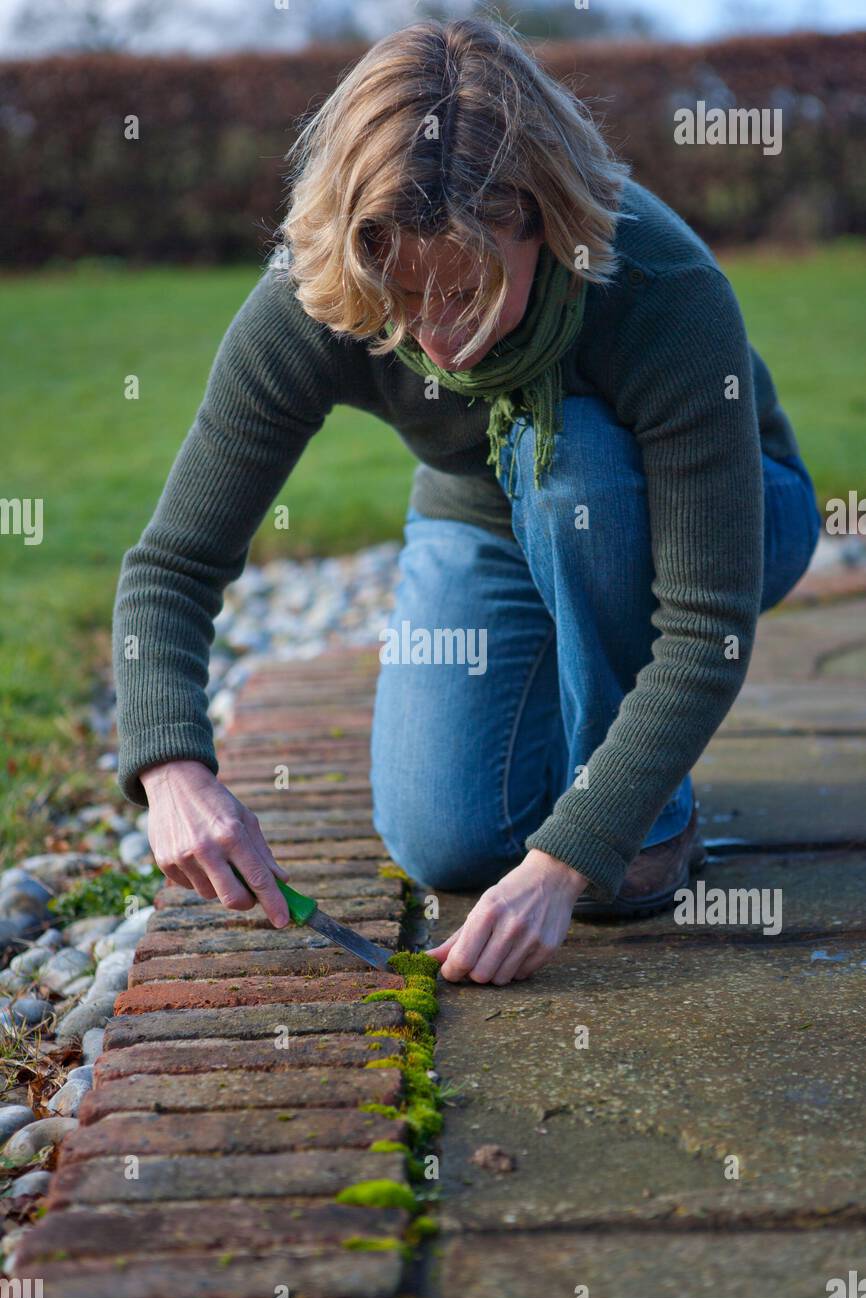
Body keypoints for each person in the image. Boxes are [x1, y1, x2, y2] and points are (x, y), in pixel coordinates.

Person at [112, 18, 821, 987]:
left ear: (541, 216)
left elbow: (705, 629)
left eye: (467, 293)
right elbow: (172, 564)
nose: (436, 343)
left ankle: (647, 825)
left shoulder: (657, 284)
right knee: (443, 839)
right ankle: (602, 773)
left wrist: (566, 860)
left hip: (717, 515)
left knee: (573, 467)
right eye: (402, 301)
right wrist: (172, 770)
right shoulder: (321, 289)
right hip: (481, 511)